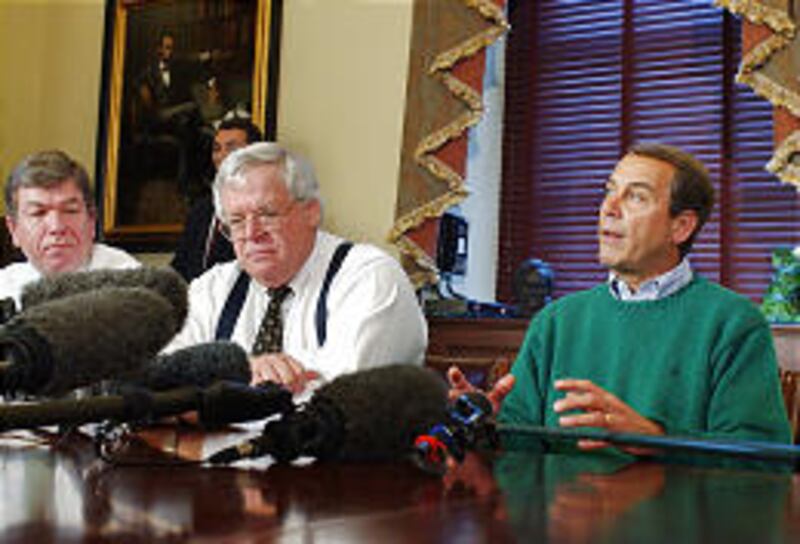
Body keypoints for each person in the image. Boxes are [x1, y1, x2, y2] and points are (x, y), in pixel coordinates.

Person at [449, 142, 791, 449]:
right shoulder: (557, 321)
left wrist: (654, 440)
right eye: (609, 191)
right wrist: (486, 423)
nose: (609, 208)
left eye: (636, 196)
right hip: (561, 515)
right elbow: (519, 447)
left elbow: (760, 459)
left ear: (681, 227)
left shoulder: (733, 323)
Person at [165, 142, 427, 393]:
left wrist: (219, 385)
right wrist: (241, 373)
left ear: (311, 211)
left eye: (267, 214)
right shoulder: (213, 288)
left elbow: (344, 394)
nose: (251, 233)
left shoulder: (369, 277)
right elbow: (162, 377)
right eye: (236, 221)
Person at [0, 150, 140, 308]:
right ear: (13, 230)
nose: (56, 227)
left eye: (70, 211)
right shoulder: (4, 288)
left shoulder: (129, 282)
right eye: (38, 213)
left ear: (92, 222)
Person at [170, 116, 262, 281]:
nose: (222, 156)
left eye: (231, 148)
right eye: (217, 149)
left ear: (254, 154)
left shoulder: (267, 205)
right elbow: (180, 267)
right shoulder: (202, 209)